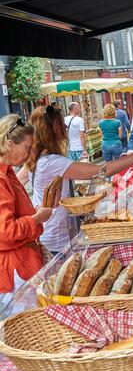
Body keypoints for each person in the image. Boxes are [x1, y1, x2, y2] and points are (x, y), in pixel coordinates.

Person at [17, 105, 133, 255]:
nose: (66, 127)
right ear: (54, 129)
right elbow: (104, 170)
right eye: (62, 124)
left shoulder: (36, 158)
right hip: (58, 237)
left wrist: (33, 210)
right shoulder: (52, 162)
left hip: (49, 232)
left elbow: (18, 184)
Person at [0, 114, 52, 312]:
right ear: (10, 143)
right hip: (16, 269)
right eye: (28, 147)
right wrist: (36, 218)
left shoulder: (8, 172)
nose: (31, 154)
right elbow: (5, 232)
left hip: (22, 263)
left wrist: (33, 213)